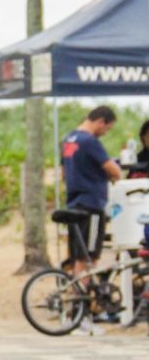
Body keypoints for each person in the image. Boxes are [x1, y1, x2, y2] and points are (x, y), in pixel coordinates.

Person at [61, 106, 122, 280]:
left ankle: (73, 297)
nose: (105, 133)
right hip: (92, 204)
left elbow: (64, 173)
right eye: (107, 128)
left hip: (73, 204)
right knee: (89, 255)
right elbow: (115, 171)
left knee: (75, 255)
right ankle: (82, 297)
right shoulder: (90, 142)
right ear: (101, 121)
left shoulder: (69, 140)